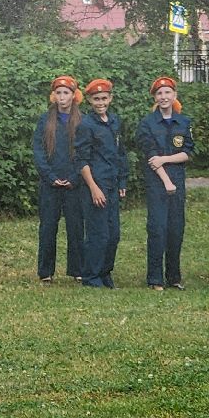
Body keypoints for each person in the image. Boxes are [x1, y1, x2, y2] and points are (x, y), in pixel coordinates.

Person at [135, 77, 194, 291]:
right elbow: (152, 157)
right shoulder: (147, 124)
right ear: (154, 98)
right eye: (159, 94)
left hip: (177, 183)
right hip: (157, 184)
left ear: (174, 96)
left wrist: (166, 160)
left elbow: (187, 153)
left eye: (168, 93)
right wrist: (166, 180)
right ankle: (155, 278)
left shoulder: (184, 122)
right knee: (157, 229)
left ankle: (174, 277)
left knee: (176, 230)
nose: (164, 97)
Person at [74, 78, 127, 287]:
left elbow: (120, 154)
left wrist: (122, 181)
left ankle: (106, 273)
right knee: (99, 234)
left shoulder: (114, 122)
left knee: (113, 234)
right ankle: (91, 276)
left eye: (104, 98)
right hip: (96, 186)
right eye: (96, 99)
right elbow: (81, 160)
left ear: (110, 98)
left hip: (113, 184)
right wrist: (93, 188)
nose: (100, 102)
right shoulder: (86, 125)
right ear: (89, 100)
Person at [31, 75, 84, 283]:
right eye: (58, 93)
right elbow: (39, 151)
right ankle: (46, 272)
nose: (62, 97)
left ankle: (78, 270)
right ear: (53, 96)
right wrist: (50, 177)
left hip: (74, 184)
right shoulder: (45, 120)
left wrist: (74, 177)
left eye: (66, 93)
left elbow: (85, 153)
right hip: (50, 185)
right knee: (47, 228)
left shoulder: (83, 120)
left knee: (76, 227)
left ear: (74, 96)